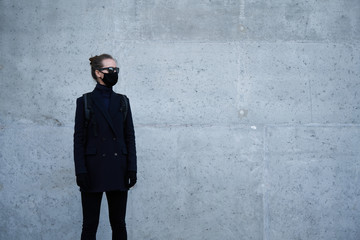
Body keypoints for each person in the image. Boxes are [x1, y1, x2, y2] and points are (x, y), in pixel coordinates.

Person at [73, 54, 137, 240]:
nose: (114, 73)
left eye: (116, 70)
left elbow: (130, 137)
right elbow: (78, 139)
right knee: (90, 225)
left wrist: (132, 168)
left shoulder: (123, 101)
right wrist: (81, 171)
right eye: (110, 69)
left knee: (119, 224)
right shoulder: (84, 101)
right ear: (98, 73)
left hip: (119, 168)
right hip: (93, 170)